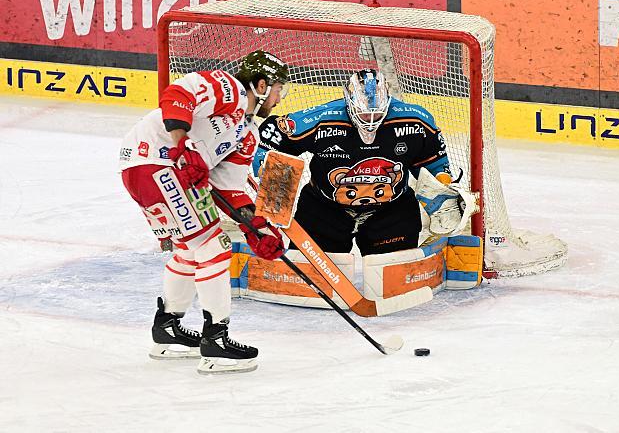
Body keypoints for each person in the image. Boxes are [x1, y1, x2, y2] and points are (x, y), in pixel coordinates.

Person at [119, 50, 289, 374]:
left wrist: (257, 228)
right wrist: (182, 144)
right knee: (214, 247)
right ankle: (217, 341)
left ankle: (167, 331)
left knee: (190, 248)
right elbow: (177, 95)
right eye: (279, 88)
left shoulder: (247, 135)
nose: (281, 97)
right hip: (155, 161)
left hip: (145, 171)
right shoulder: (230, 90)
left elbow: (230, 189)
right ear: (263, 84)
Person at [253, 68, 452, 257]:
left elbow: (433, 158)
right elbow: (275, 131)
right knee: (308, 279)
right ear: (348, 101)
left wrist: (443, 184)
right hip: (325, 210)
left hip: (390, 212)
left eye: (377, 113)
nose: (370, 119)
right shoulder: (323, 119)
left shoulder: (415, 120)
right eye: (364, 113)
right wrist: (264, 163)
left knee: (394, 279)